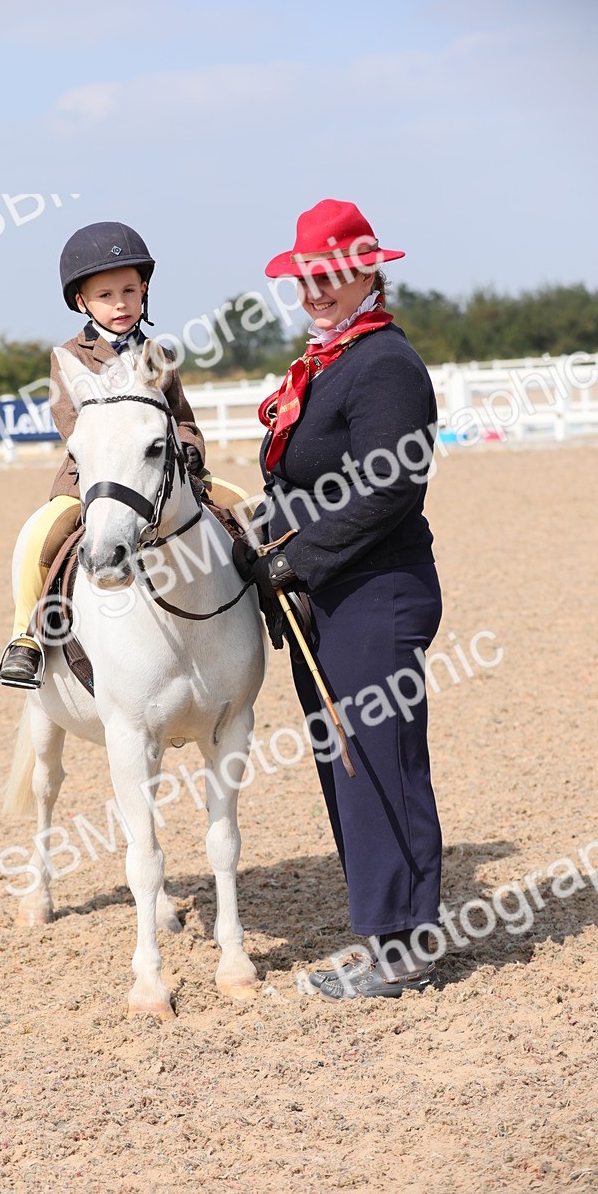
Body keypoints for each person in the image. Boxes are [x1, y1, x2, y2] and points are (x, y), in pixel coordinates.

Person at [236, 199, 444, 998]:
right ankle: (387, 933)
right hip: (324, 595)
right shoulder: (329, 359)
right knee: (346, 765)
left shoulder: (385, 363)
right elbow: (304, 480)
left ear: (367, 271)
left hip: (372, 593)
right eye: (306, 277)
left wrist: (301, 557)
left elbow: (390, 487)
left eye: (332, 275)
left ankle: (409, 947)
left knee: (379, 764)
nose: (317, 289)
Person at [0, 221, 247, 688]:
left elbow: (183, 418)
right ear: (82, 301)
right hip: (94, 479)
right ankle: (26, 638)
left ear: (144, 290)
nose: (120, 304)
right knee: (41, 537)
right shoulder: (69, 356)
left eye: (129, 291)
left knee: (244, 509)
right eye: (106, 295)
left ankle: (274, 606)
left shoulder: (158, 354)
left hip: (164, 475)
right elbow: (71, 422)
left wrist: (189, 450)